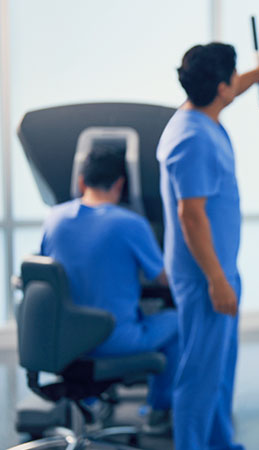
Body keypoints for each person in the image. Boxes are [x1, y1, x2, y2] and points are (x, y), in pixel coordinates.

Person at [157, 42, 259, 449]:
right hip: (206, 274)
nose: (234, 86)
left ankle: (220, 443)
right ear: (219, 88)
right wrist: (217, 280)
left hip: (215, 269)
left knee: (219, 371)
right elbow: (192, 215)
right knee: (200, 375)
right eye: (232, 80)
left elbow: (233, 87)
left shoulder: (197, 113)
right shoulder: (194, 139)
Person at [40, 146, 178, 433]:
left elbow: (48, 272)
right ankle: (159, 411)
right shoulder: (131, 224)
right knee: (178, 322)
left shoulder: (54, 219)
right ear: (120, 184)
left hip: (65, 341)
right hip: (114, 341)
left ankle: (92, 400)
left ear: (81, 182)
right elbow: (163, 278)